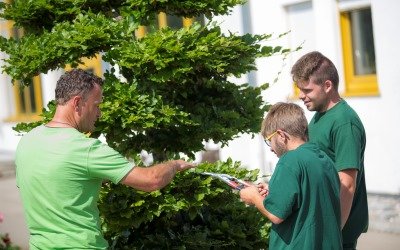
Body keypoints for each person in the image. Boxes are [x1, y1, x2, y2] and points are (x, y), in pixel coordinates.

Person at [15, 69, 195, 249]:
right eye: (97, 105)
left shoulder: (28, 141)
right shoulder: (85, 149)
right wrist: (175, 164)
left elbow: (54, 185)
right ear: (77, 103)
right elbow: (151, 180)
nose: (99, 113)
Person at [291, 51, 368, 249]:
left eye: (307, 90)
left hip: (335, 236)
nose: (301, 96)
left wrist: (332, 233)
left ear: (327, 86)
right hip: (319, 229)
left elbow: (347, 184)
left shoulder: (344, 122)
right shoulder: (319, 115)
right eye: (300, 89)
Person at [239, 102, 342, 249]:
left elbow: (276, 215)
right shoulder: (324, 158)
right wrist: (274, 189)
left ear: (281, 135)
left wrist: (254, 197)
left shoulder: (289, 160)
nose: (271, 148)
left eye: (269, 140)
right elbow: (310, 195)